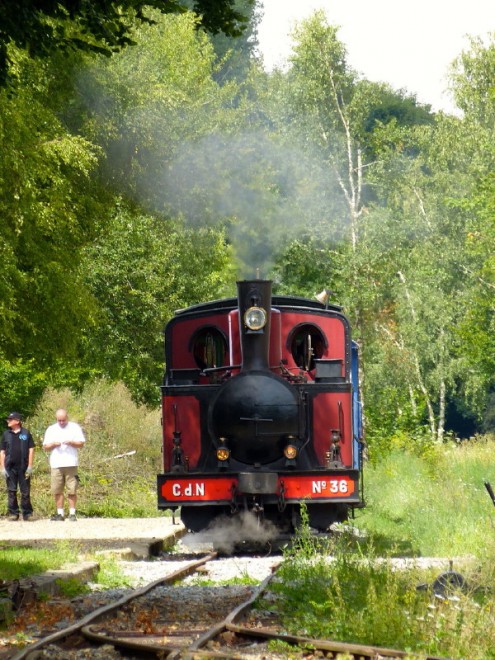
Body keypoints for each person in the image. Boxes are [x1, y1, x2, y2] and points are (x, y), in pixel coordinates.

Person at [43, 408, 85, 521]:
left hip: (71, 463)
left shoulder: (75, 428)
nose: (61, 422)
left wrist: (71, 442)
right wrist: (53, 445)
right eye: (59, 420)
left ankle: (72, 513)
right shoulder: (51, 429)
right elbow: (45, 447)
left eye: (63, 420)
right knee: (57, 489)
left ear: (67, 417)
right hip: (56, 463)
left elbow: (81, 444)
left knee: (72, 489)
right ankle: (60, 513)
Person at [0, 412, 35, 521]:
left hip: (23, 467)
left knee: (25, 491)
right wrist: (2, 467)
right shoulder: (6, 434)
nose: (8, 421)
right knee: (11, 490)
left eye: (10, 419)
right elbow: (2, 451)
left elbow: (31, 449)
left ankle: (27, 513)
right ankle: (13, 513)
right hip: (10, 467)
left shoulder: (26, 433)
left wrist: (30, 465)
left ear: (17, 421)